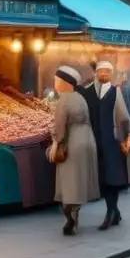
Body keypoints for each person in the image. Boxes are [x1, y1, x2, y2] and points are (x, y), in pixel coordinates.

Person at [82, 60, 130, 230]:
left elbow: (123, 116)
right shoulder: (87, 92)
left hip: (111, 141)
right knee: (102, 179)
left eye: (107, 72)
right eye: (101, 71)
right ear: (96, 73)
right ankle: (115, 212)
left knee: (112, 178)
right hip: (94, 140)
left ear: (111, 74)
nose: (104, 74)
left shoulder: (115, 92)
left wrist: (127, 138)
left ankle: (110, 213)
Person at [49, 67, 99, 236]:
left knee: (69, 181)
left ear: (64, 83)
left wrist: (55, 144)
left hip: (74, 142)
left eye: (56, 81)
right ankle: (75, 215)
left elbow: (60, 126)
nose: (55, 84)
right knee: (79, 181)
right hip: (87, 139)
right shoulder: (80, 98)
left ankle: (69, 217)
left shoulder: (64, 100)